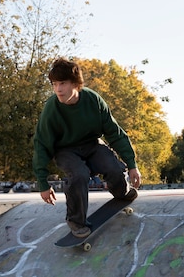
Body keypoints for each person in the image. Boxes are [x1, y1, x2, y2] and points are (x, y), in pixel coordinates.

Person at [33, 57, 142, 238]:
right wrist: (43, 183)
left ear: (75, 84)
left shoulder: (93, 100)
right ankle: (76, 221)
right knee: (79, 174)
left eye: (63, 83)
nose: (58, 89)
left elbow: (114, 133)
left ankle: (121, 191)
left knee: (112, 167)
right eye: (54, 84)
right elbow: (41, 146)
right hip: (65, 150)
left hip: (92, 144)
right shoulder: (51, 109)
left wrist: (132, 165)